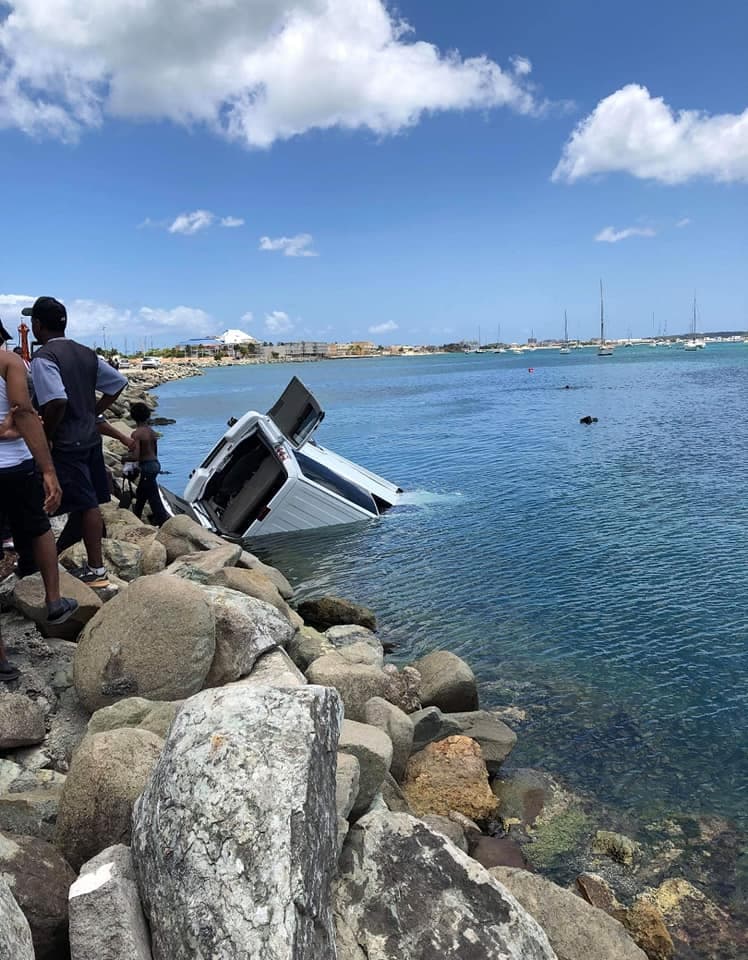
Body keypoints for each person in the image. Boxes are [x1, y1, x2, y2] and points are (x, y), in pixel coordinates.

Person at [26, 297, 127, 588]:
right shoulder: (86, 353)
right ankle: (83, 565)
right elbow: (118, 383)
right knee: (88, 503)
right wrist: (93, 411)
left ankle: (94, 571)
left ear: (37, 325)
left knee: (73, 504)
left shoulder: (45, 357)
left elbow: (56, 400)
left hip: (66, 443)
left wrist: (47, 434)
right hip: (90, 440)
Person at [0, 350, 79, 681]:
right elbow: (24, 413)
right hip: (17, 468)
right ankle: (53, 600)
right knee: (39, 529)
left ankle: (1, 657)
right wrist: (48, 469)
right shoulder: (8, 361)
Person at [128, 402, 169, 526]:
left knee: (153, 496)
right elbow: (155, 451)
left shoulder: (136, 434)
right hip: (155, 464)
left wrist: (124, 459)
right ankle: (137, 516)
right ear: (148, 416)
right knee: (142, 492)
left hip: (146, 466)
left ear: (133, 417)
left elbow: (135, 456)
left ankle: (163, 520)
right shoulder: (152, 432)